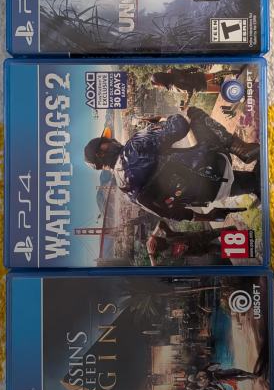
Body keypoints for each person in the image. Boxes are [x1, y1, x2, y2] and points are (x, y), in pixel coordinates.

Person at [84, 107, 260, 221]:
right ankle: (241, 149)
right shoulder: (133, 147)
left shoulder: (127, 191)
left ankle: (253, 185)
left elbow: (168, 213)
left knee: (200, 183)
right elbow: (180, 126)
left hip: (212, 194)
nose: (112, 140)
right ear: (102, 153)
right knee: (193, 113)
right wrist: (161, 120)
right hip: (214, 166)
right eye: (106, 141)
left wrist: (208, 217)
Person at [146, 211, 244, 265]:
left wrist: (151, 255)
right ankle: (239, 232)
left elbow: (156, 270)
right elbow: (161, 223)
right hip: (198, 239)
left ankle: (243, 245)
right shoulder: (169, 237)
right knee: (218, 234)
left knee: (219, 249)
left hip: (198, 250)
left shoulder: (166, 254)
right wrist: (152, 236)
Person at [150, 66, 240, 103]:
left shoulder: (173, 86)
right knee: (215, 75)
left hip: (199, 87)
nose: (159, 87)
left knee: (221, 89)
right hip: (197, 76)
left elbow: (189, 89)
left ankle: (239, 92)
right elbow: (185, 71)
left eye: (158, 85)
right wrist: (194, 69)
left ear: (161, 82)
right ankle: (234, 72)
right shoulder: (171, 71)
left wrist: (187, 102)